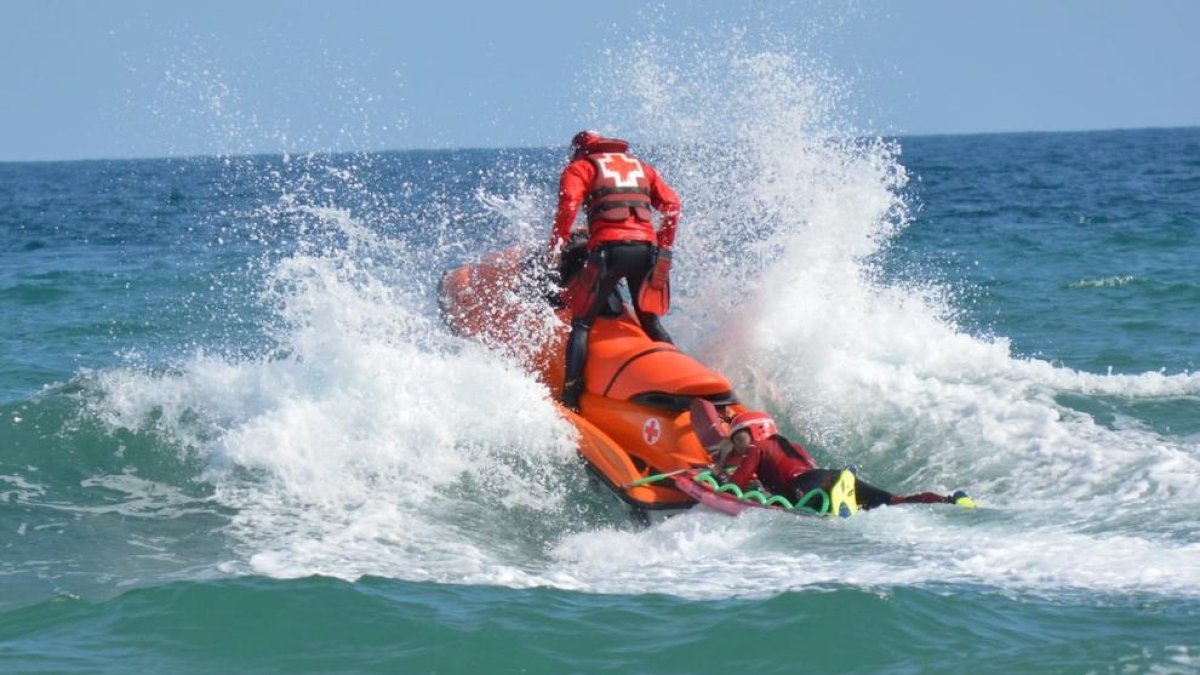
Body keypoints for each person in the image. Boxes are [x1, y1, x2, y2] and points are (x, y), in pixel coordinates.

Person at [549, 131, 681, 410]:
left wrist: (556, 246)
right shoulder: (641, 167)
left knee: (582, 324)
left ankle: (570, 395)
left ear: (581, 150)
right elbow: (672, 205)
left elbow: (569, 205)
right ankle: (678, 381)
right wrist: (664, 247)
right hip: (646, 251)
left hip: (610, 253)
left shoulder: (581, 167)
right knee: (652, 323)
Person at [712, 410, 975, 516]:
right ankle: (951, 500)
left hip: (808, 486)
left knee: (829, 506)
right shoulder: (792, 445)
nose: (739, 445)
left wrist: (720, 474)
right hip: (828, 477)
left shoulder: (757, 446)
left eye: (740, 437)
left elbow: (737, 484)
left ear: (755, 430)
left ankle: (840, 504)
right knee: (893, 501)